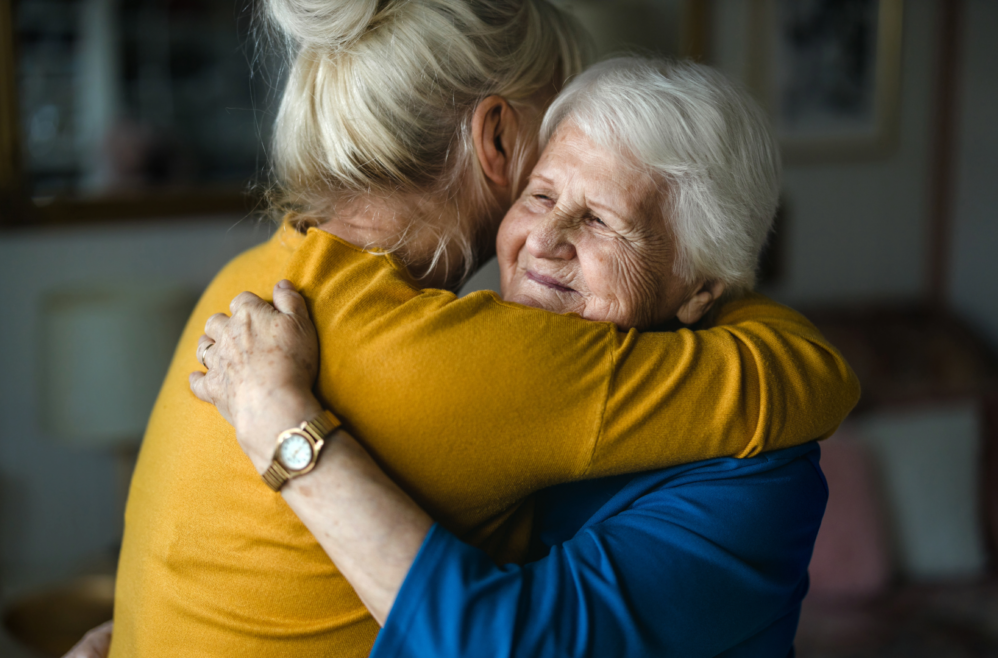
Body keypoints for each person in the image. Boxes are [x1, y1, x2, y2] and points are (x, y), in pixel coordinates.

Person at [106, 2, 858, 656]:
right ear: (497, 141)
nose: (545, 239)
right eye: (540, 190)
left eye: (601, 220)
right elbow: (804, 374)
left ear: (701, 288)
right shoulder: (465, 358)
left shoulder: (243, 281)